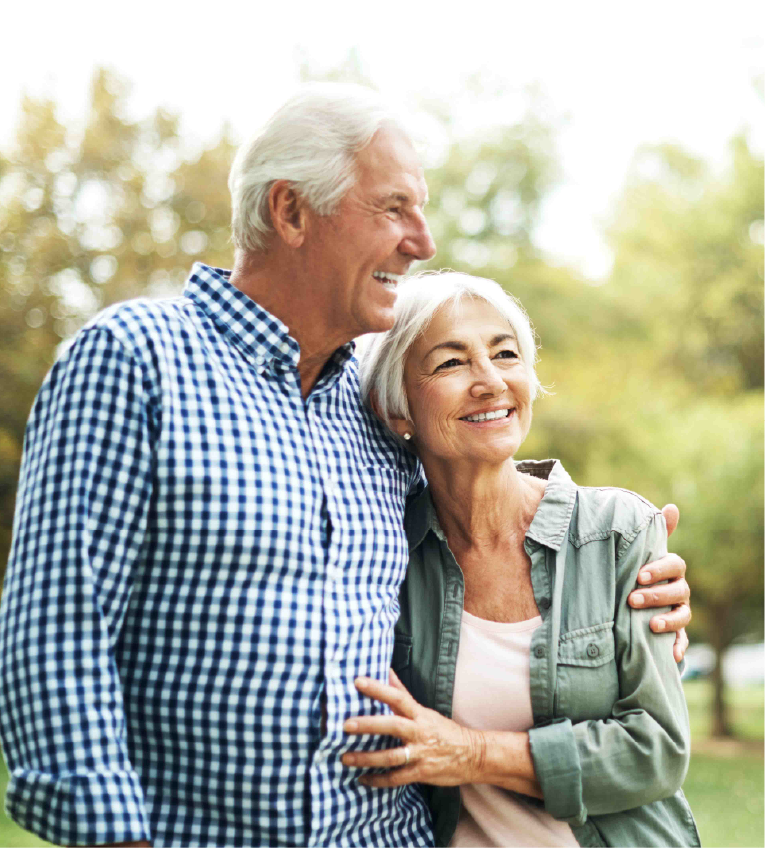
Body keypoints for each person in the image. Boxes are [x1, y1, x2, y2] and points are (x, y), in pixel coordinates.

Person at [0, 86, 690, 848]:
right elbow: (60, 633)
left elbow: (482, 493)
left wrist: (620, 560)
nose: (422, 240)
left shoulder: (364, 408)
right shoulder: (136, 359)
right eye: (392, 209)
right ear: (290, 211)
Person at [345, 271, 700, 847]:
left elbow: (655, 751)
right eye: (451, 362)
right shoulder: (383, 551)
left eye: (506, 354)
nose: (490, 381)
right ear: (396, 409)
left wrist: (469, 753)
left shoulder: (618, 531)